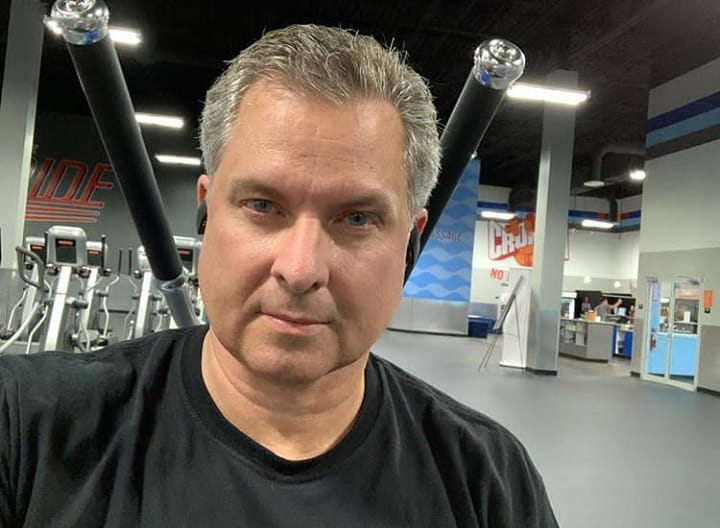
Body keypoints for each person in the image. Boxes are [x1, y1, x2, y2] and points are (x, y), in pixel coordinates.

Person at [0, 25, 557, 526]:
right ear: (206, 211)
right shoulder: (25, 426)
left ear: (409, 242)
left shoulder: (489, 482)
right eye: (263, 206)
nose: (299, 269)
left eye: (357, 219)